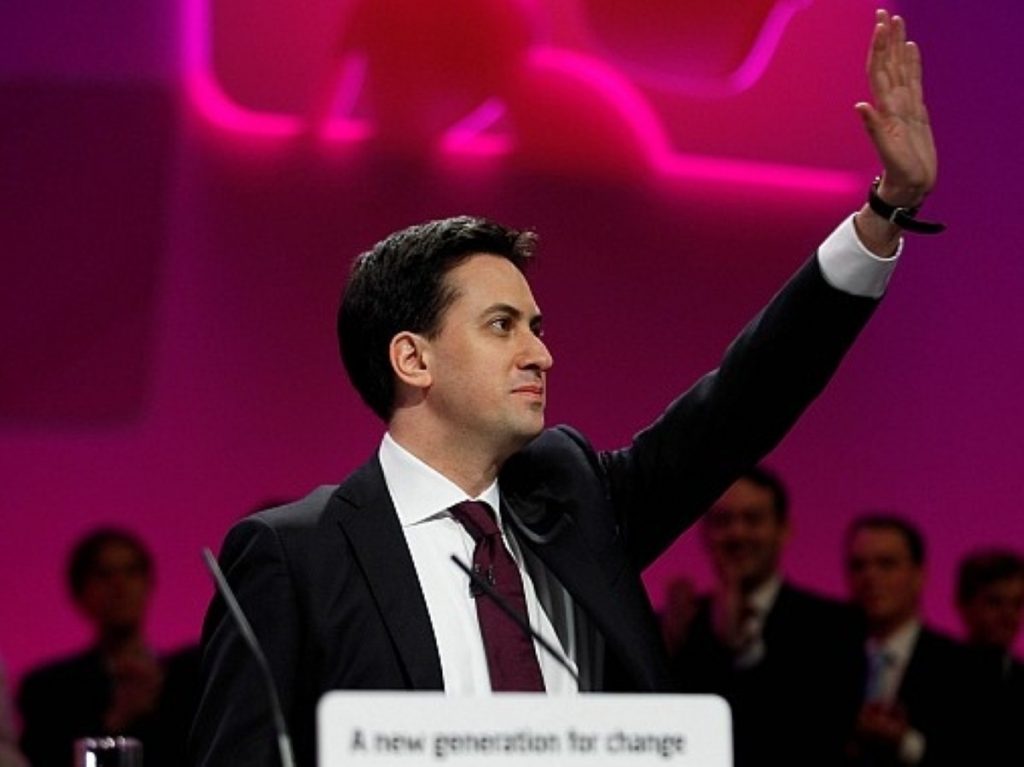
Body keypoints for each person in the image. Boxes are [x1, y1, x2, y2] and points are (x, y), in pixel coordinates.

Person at [191, 11, 942, 767]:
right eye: (502, 325)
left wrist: (883, 214)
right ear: (412, 359)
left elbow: (743, 403)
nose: (541, 353)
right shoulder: (297, 554)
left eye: (537, 326)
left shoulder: (576, 501)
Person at [669, 467, 861, 767]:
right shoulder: (677, 625)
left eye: (753, 519)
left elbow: (818, 733)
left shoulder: (834, 627)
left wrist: (741, 651)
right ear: (705, 534)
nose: (737, 533)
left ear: (783, 530)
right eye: (723, 521)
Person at [17, 528, 200, 767]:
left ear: (149, 584)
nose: (119, 586)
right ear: (80, 592)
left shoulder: (190, 677)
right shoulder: (49, 690)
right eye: (104, 575)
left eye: (131, 572)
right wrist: (116, 721)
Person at [843, 514, 975, 766]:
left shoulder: (959, 666)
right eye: (858, 565)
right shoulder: (822, 657)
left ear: (919, 574)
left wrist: (904, 743)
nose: (870, 577)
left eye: (886, 564)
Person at [955, 548, 1024, 766]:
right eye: (995, 602)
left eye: (1018, 604)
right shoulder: (940, 676)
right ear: (964, 605)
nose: (1009, 615)